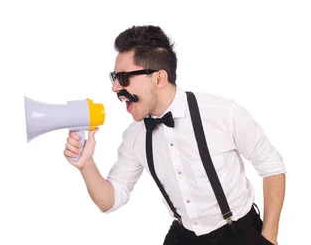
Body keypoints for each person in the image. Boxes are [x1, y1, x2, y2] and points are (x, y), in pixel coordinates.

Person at [63, 25, 286, 245]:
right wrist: (86, 164)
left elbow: (272, 166)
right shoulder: (135, 136)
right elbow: (109, 201)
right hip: (184, 236)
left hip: (239, 231)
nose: (114, 88)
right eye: (114, 77)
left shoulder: (223, 113)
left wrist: (269, 237)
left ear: (159, 79)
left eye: (123, 77)